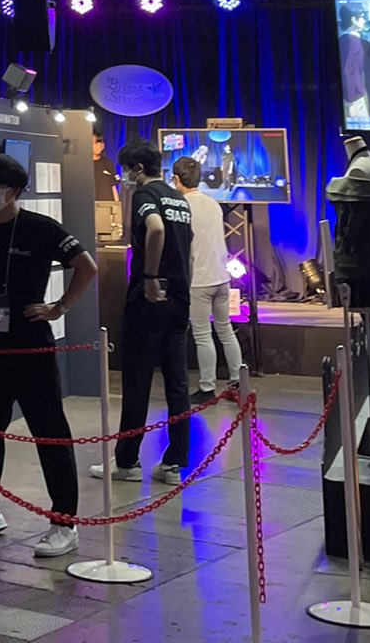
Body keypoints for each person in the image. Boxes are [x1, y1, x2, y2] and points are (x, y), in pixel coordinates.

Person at [0, 153, 97, 557]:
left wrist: (59, 307)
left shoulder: (40, 227)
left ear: (14, 190)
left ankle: (64, 521)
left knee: (49, 431)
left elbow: (86, 266)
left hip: (32, 343)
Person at [92, 141, 192, 487]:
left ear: (136, 168)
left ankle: (127, 462)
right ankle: (174, 462)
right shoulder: (179, 199)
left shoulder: (145, 195)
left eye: (126, 169)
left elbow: (156, 228)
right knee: (178, 384)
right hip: (179, 298)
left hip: (149, 300)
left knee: (136, 380)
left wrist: (149, 276)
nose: (124, 176)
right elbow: (188, 249)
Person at [173, 156, 243, 407]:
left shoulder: (181, 206)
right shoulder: (213, 203)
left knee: (203, 335)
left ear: (176, 179)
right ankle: (238, 382)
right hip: (221, 277)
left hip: (199, 280)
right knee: (225, 331)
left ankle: (207, 387)